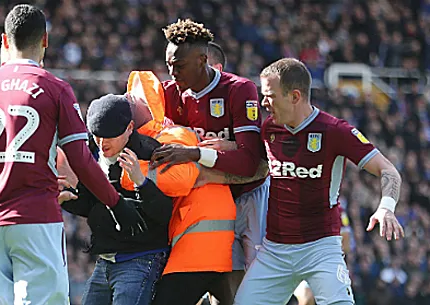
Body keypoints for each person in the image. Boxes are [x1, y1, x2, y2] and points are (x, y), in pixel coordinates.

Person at [0, 4, 145, 305]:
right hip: (35, 218)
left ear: (5, 40)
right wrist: (116, 202)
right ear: (45, 40)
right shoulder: (54, 87)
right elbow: (80, 159)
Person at [233, 58, 405, 305]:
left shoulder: (334, 130)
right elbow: (246, 158)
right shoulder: (269, 129)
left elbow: (388, 170)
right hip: (274, 251)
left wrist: (386, 206)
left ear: (294, 96)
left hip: (321, 248)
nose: (264, 103)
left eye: (270, 96)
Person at [150, 19, 270, 304]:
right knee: (221, 283)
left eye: (179, 65)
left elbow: (250, 163)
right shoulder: (168, 94)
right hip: (207, 199)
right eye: (169, 64)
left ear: (203, 60)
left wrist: (195, 153)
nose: (172, 72)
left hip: (249, 195)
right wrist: (225, 152)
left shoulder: (239, 90)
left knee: (255, 289)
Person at [61, 94, 173, 305]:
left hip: (141, 258)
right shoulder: (93, 152)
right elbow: (92, 206)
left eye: (109, 136)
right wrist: (65, 198)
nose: (102, 143)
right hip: (105, 260)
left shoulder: (152, 153)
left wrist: (141, 182)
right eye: (97, 136)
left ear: (130, 127)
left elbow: (166, 213)